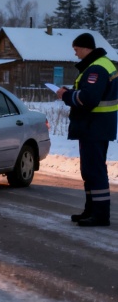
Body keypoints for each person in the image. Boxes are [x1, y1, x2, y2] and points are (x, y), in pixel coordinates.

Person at [55, 32, 116, 227]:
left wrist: (66, 96)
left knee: (94, 170)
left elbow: (88, 99)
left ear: (85, 48)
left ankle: (99, 215)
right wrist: (71, 92)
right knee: (90, 170)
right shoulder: (101, 64)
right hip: (96, 126)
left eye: (76, 50)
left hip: (94, 126)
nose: (76, 55)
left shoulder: (96, 68)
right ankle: (91, 210)